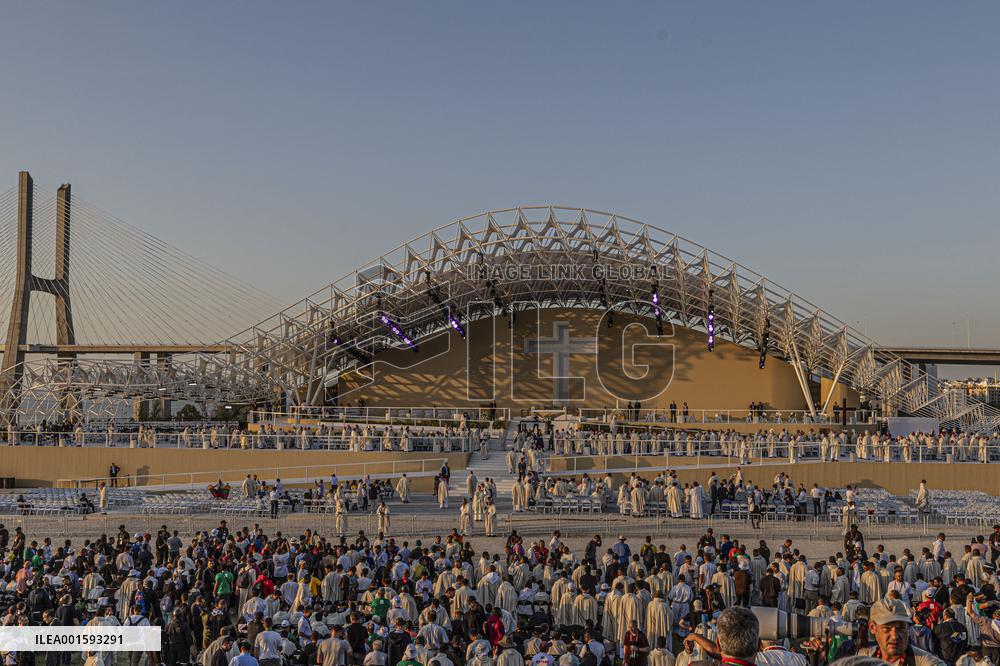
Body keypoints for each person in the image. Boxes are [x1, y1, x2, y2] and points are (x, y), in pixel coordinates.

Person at [858, 598, 947, 665]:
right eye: (887, 628)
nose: (894, 636)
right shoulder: (863, 658)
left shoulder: (929, 663)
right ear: (873, 627)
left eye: (901, 628)